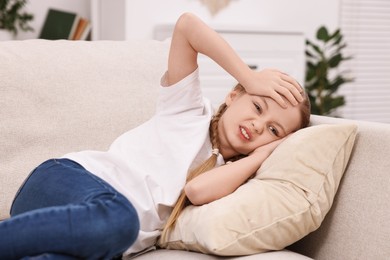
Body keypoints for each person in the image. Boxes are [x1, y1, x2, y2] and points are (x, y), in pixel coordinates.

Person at [0, 12, 310, 259]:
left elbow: (197, 190)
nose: (258, 125)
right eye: (257, 105)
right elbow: (188, 26)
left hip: (94, 241)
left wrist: (261, 155)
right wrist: (250, 76)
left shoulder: (233, 176)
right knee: (120, 220)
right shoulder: (188, 112)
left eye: (273, 130)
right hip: (63, 184)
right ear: (233, 95)